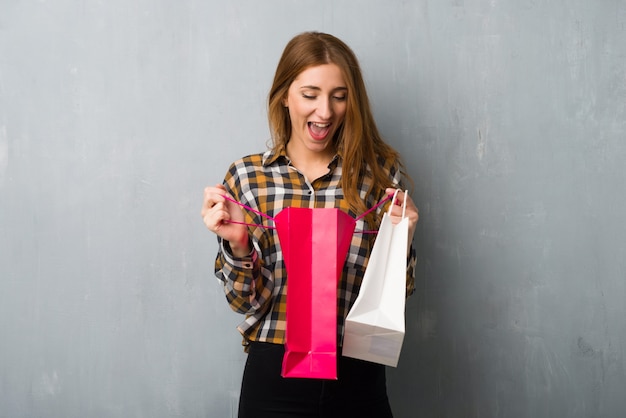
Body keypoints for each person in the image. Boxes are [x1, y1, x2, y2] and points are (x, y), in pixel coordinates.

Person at [201, 31, 419, 418]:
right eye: (310, 94)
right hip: (274, 378)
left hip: (358, 373)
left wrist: (401, 242)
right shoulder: (248, 178)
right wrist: (237, 246)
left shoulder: (380, 177)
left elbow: (395, 300)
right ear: (285, 95)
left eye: (339, 95)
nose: (325, 112)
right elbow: (241, 303)